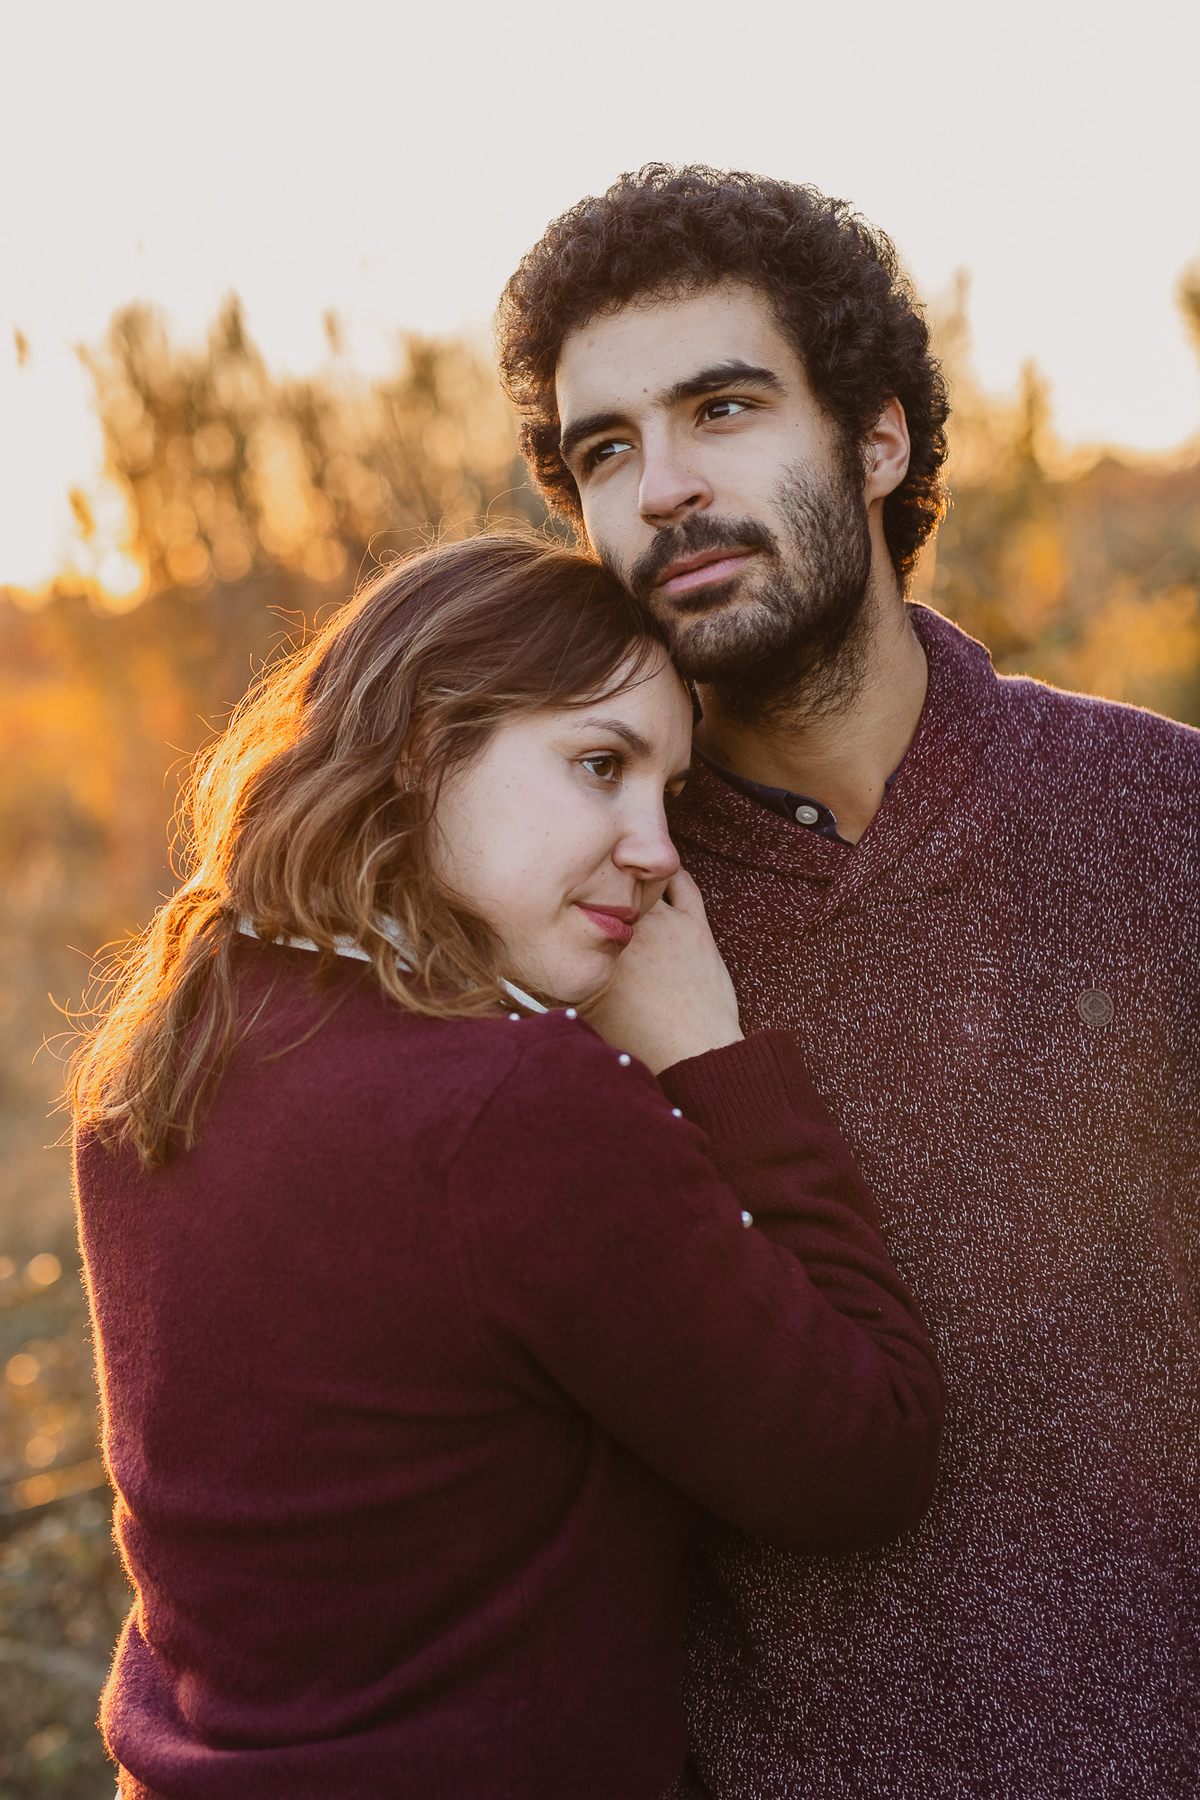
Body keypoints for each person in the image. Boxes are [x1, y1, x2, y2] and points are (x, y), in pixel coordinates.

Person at [495, 167, 1200, 1798]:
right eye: (606, 451)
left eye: (722, 408)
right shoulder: (576, 909)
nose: (665, 486)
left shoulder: (1161, 821)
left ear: (878, 440)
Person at [70, 534, 943, 1800]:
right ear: (424, 747)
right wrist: (714, 1059)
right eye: (600, 766)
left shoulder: (174, 1045)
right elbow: (866, 1455)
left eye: (669, 796)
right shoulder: (514, 1108)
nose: (657, 852)